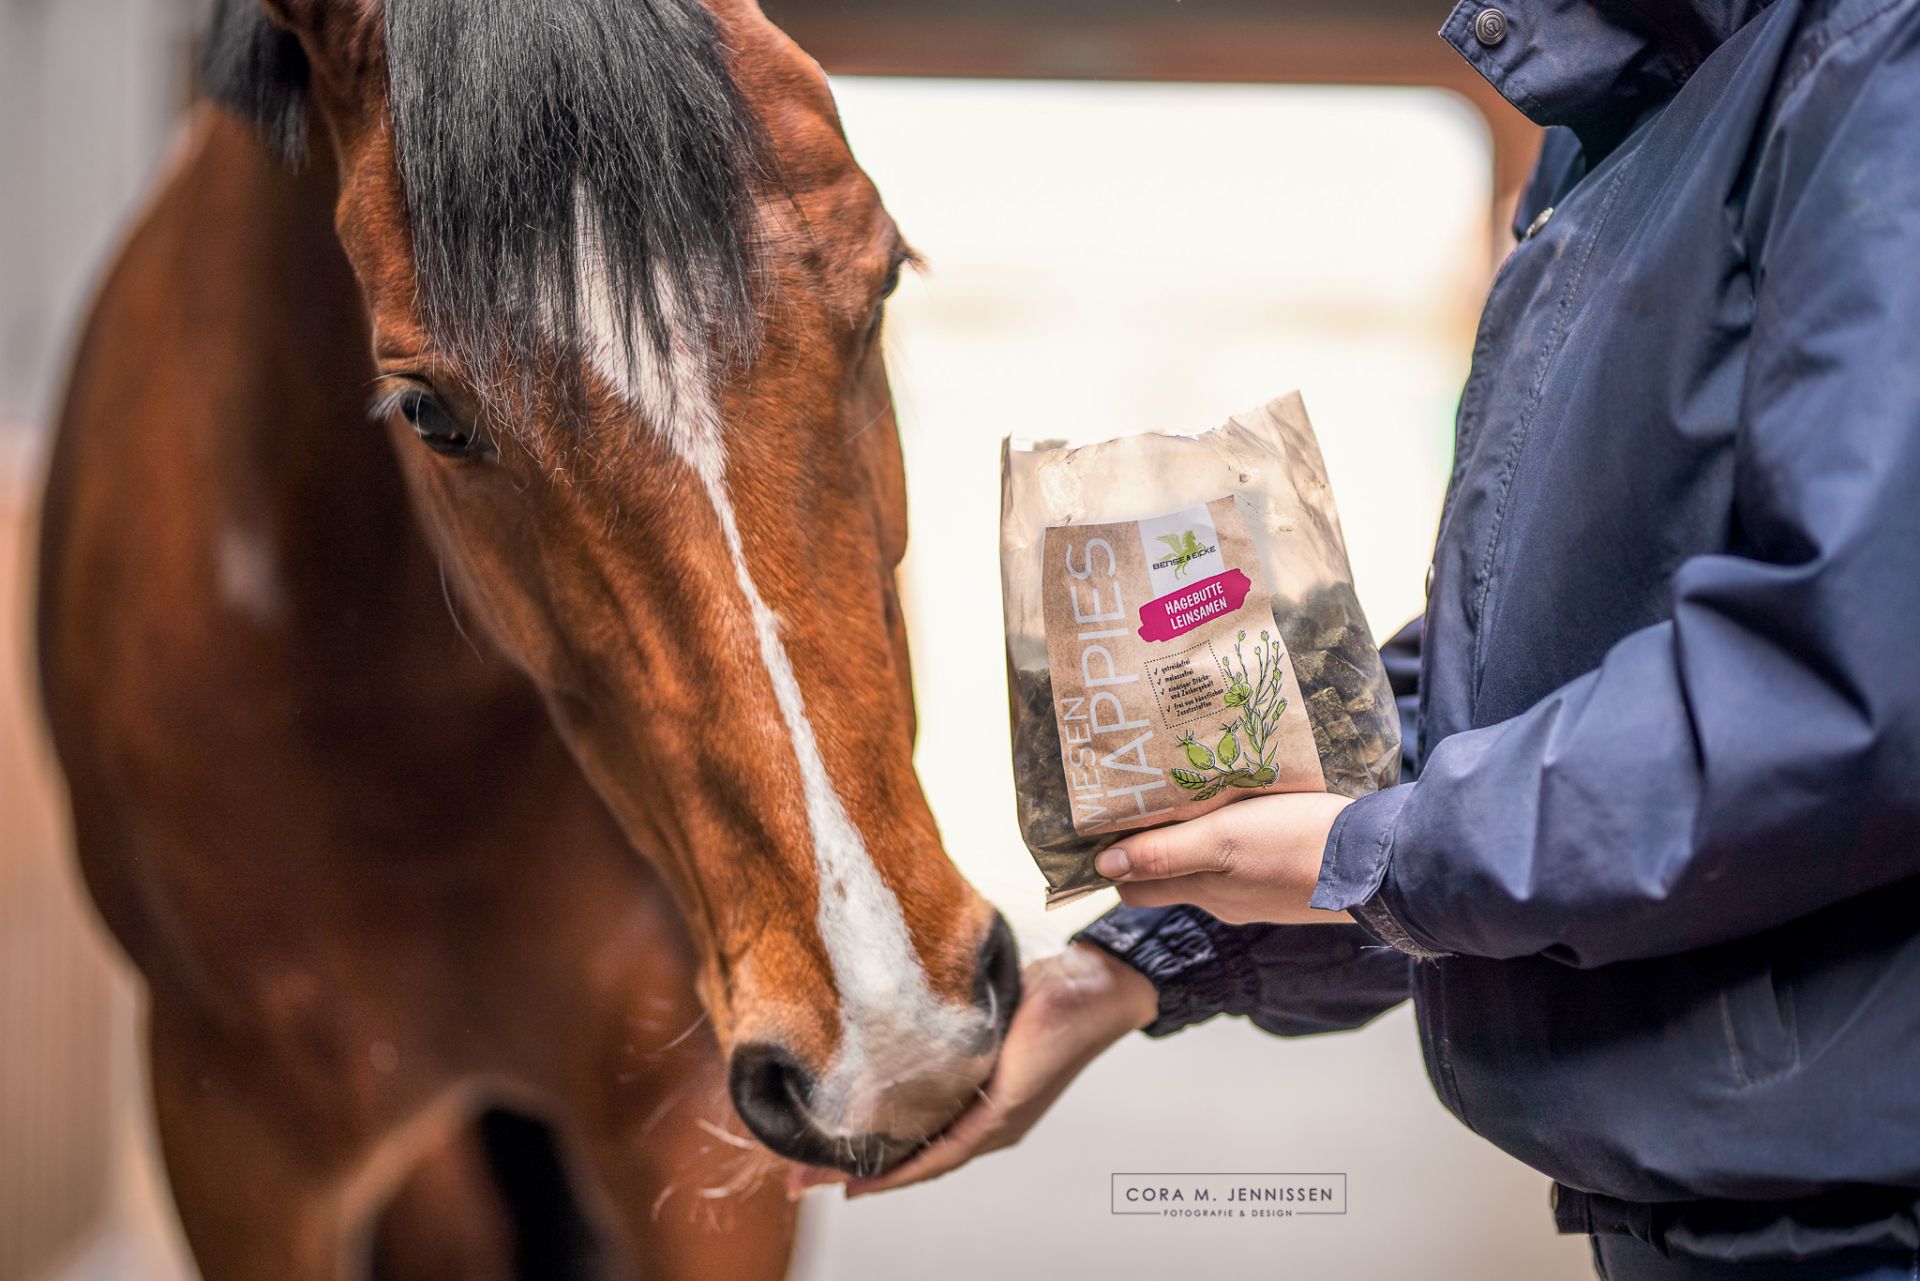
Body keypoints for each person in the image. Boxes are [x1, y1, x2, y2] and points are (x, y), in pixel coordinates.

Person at [819, 1, 1920, 1277]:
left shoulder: (1873, 56)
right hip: (1721, 1215)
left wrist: (1364, 851)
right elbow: (1523, 689)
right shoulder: (1625, 118)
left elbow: (1845, 685)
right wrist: (1133, 967)